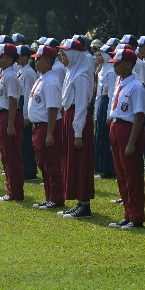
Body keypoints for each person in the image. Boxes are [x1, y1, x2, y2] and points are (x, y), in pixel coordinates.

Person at [106, 48, 145, 229]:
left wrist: (131, 142)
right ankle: (128, 213)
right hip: (117, 127)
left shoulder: (136, 86)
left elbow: (138, 116)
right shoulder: (120, 83)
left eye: (118, 64)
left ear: (129, 65)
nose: (115, 67)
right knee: (121, 175)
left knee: (132, 175)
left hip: (128, 129)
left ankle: (136, 216)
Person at [55, 38, 95, 218]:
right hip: (70, 118)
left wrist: (77, 132)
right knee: (72, 160)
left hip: (78, 121)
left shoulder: (81, 77)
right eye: (61, 54)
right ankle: (79, 200)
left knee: (80, 161)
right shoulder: (72, 72)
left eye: (65, 54)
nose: (62, 58)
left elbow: (80, 107)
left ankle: (84, 203)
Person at [27, 45, 65, 210]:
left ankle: (56, 198)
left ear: (48, 61)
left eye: (39, 59)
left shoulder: (50, 81)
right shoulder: (41, 78)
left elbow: (52, 108)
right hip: (39, 127)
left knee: (51, 164)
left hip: (47, 126)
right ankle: (49, 196)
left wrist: (50, 134)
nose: (35, 61)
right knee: (42, 163)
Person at [0, 43, 25, 202]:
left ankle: (15, 192)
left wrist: (11, 124)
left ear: (10, 59)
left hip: (7, 116)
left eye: (1, 57)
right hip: (0, 116)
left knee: (11, 155)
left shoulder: (10, 76)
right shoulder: (4, 73)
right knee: (5, 155)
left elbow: (13, 100)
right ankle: (11, 189)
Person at [94, 43, 116, 179]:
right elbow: (98, 94)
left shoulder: (111, 72)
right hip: (101, 102)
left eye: (101, 55)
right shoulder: (102, 70)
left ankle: (110, 169)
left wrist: (109, 114)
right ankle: (102, 168)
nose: (98, 57)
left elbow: (112, 94)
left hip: (107, 102)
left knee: (107, 137)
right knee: (100, 136)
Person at [16, 45, 38, 180]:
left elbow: (29, 95)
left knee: (27, 142)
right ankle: (24, 168)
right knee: (21, 141)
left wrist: (26, 116)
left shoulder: (29, 73)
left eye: (17, 56)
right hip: (20, 103)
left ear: (25, 57)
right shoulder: (21, 70)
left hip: (25, 107)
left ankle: (29, 170)